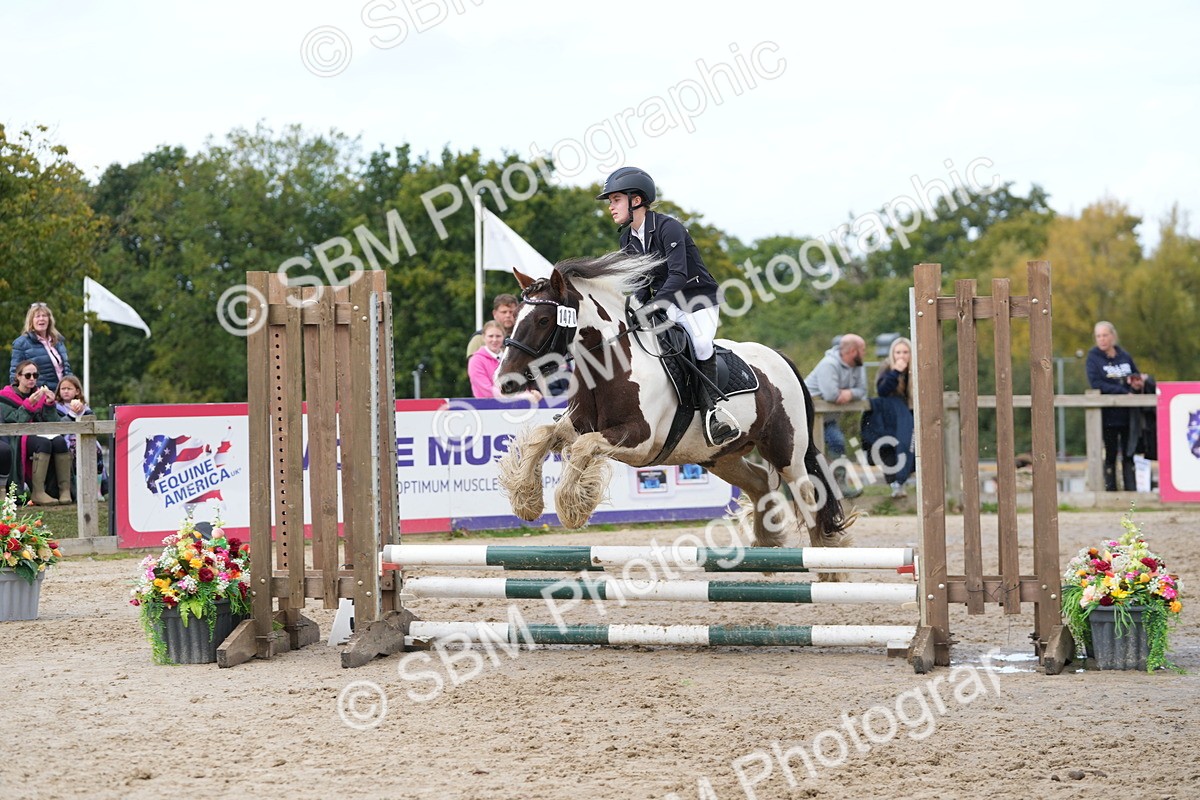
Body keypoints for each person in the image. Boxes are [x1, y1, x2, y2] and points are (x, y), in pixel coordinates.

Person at [596, 166, 740, 446]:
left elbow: (679, 275)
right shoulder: (627, 238)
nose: (611, 207)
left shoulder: (667, 227)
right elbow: (640, 280)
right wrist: (637, 307)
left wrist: (655, 305)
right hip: (666, 301)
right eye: (611, 202)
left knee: (700, 344)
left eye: (616, 200)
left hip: (697, 300)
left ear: (635, 200)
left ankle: (713, 413)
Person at [0, 360, 72, 505]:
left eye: (35, 375)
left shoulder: (40, 394)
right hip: (17, 438)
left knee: (59, 441)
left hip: (41, 433)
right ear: (18, 377)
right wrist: (28, 405)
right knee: (43, 443)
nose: (32, 379)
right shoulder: (5, 396)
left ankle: (64, 490)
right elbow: (13, 421)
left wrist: (50, 405)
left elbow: (54, 423)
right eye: (28, 375)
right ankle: (38, 492)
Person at [804, 334, 867, 497]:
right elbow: (831, 395)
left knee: (838, 443)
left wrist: (848, 393)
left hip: (828, 419)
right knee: (805, 453)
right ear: (853, 351)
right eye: (863, 349)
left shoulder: (858, 366)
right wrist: (849, 393)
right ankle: (795, 493)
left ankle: (839, 485)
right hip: (806, 418)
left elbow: (863, 391)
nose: (865, 353)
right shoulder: (829, 364)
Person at [1086, 321, 1144, 491]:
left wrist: (1137, 384)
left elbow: (1135, 375)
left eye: (1104, 335)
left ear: (1112, 336)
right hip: (1108, 415)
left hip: (1127, 414)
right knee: (1110, 454)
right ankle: (1110, 492)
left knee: (1129, 454)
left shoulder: (1124, 356)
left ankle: (1131, 493)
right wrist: (1121, 391)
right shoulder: (1093, 358)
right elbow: (1096, 383)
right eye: (1098, 336)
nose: (1102, 339)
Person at [864, 336, 915, 498]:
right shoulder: (887, 368)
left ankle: (901, 481)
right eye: (898, 352)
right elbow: (882, 390)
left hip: (910, 412)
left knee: (909, 446)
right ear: (892, 354)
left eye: (905, 352)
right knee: (893, 447)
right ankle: (897, 482)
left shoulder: (917, 368)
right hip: (890, 415)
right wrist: (896, 372)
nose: (902, 356)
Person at [55, 375, 108, 498]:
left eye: (69, 388)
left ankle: (97, 489)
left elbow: (92, 424)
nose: (66, 391)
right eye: (63, 389)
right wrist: (72, 414)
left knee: (96, 451)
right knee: (75, 453)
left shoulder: (85, 408)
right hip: (67, 441)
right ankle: (78, 490)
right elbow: (60, 427)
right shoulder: (56, 407)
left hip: (86, 438)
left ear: (77, 391)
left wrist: (82, 411)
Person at [10, 302, 72, 394]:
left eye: (44, 316)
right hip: (39, 396)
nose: (41, 319)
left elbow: (67, 369)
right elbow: (14, 375)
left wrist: (72, 388)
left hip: (62, 396)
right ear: (31, 320)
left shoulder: (58, 341)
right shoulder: (21, 343)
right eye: (37, 316)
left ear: (49, 319)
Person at [465, 294, 519, 359]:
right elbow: (473, 365)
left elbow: (534, 365)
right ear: (494, 314)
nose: (508, 315)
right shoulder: (479, 339)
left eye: (511, 312)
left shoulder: (524, 337)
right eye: (504, 312)